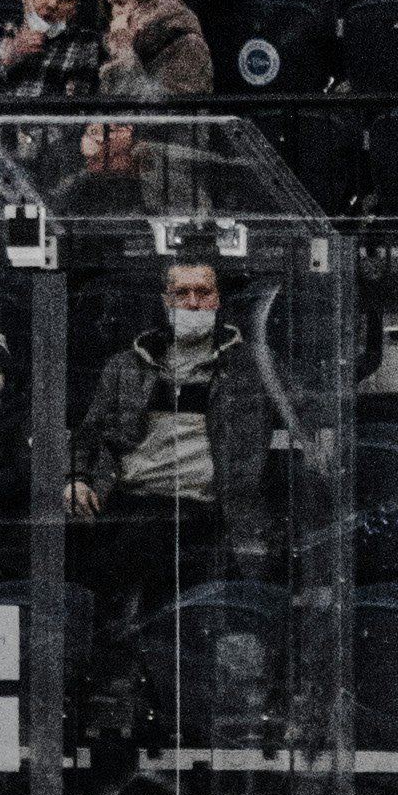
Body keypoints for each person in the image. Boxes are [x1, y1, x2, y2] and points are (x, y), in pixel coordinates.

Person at [67, 255, 270, 614]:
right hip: (129, 499)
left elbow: (304, 400)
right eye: (182, 293)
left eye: (203, 293)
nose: (192, 303)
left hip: (204, 506)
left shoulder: (248, 367)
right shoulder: (126, 365)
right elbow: (89, 432)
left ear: (218, 299)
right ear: (166, 301)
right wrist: (76, 478)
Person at [96, 0, 211, 100]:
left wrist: (123, 52)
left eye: (121, 3)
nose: (114, 12)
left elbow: (161, 113)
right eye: (110, 5)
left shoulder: (187, 43)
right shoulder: (119, 42)